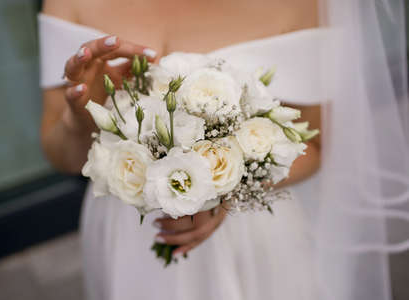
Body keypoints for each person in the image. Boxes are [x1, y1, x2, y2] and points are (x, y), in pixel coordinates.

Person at [38, 0, 328, 299]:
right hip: (127, 226)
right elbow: (62, 157)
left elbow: (315, 147)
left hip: (246, 230)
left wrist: (222, 189)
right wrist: (81, 116)